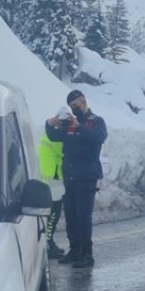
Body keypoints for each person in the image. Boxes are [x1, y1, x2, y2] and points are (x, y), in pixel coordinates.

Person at [46, 90, 107, 268]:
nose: (75, 109)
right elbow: (54, 136)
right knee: (71, 216)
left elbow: (98, 138)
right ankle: (74, 250)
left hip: (86, 176)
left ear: (83, 102)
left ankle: (86, 254)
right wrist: (50, 124)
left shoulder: (95, 121)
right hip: (70, 176)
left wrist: (79, 126)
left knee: (83, 216)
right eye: (71, 107)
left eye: (76, 105)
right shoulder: (69, 124)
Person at [38, 107, 69, 259]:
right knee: (53, 214)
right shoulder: (58, 135)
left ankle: (46, 241)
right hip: (54, 179)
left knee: (47, 214)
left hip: (46, 177)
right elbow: (65, 151)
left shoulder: (48, 131)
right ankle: (48, 243)